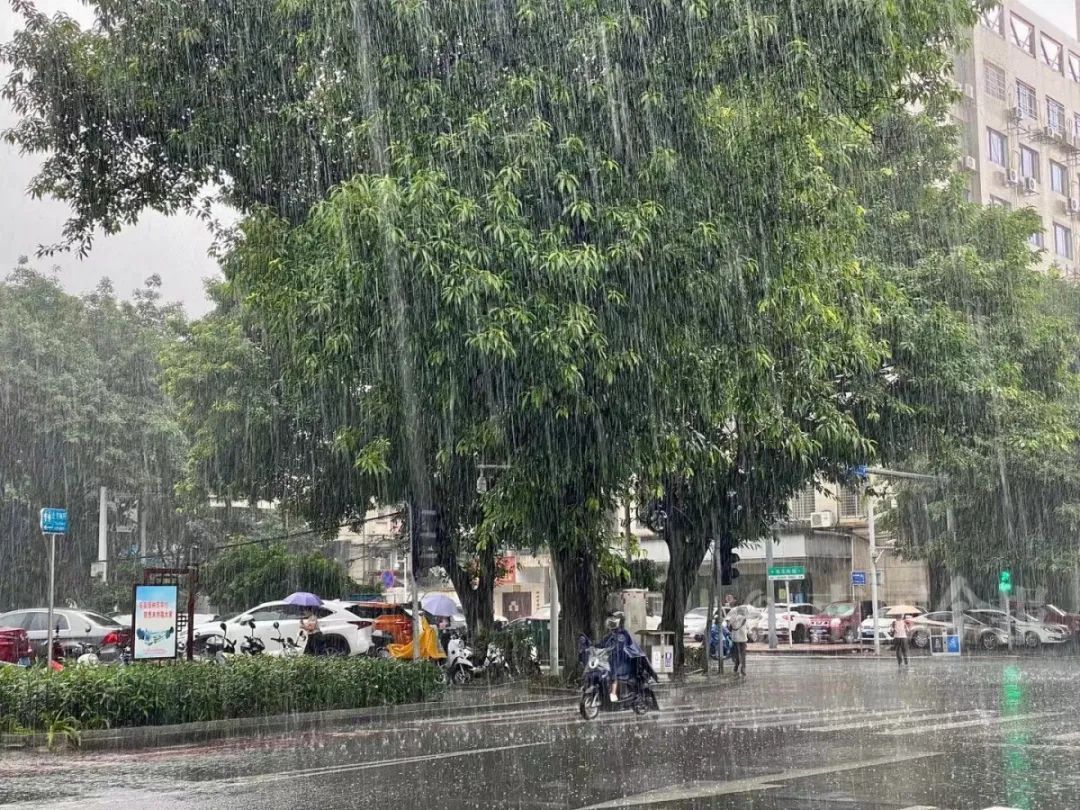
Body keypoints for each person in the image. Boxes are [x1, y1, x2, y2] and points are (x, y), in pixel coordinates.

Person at [728, 605, 749, 676]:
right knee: (743, 654)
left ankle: (736, 667)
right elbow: (748, 628)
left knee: (736, 653)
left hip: (735, 639)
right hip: (743, 639)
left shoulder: (733, 618)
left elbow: (730, 628)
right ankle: (743, 669)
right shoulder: (744, 619)